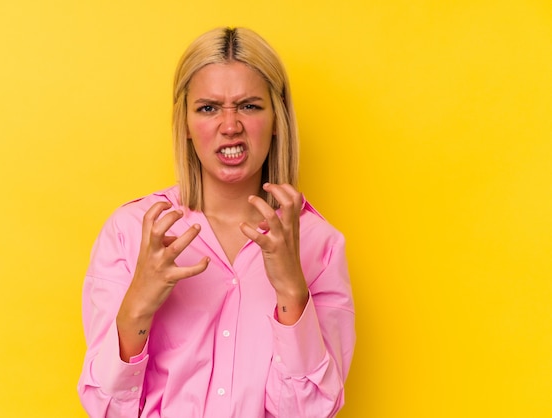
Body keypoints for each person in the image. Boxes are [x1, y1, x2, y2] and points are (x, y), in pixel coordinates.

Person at [77, 27, 355, 418]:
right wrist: (138, 304)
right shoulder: (132, 231)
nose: (230, 126)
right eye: (208, 107)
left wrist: (292, 289)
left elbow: (309, 411)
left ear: (277, 119)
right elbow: (108, 407)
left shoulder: (318, 245)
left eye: (249, 106)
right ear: (186, 125)